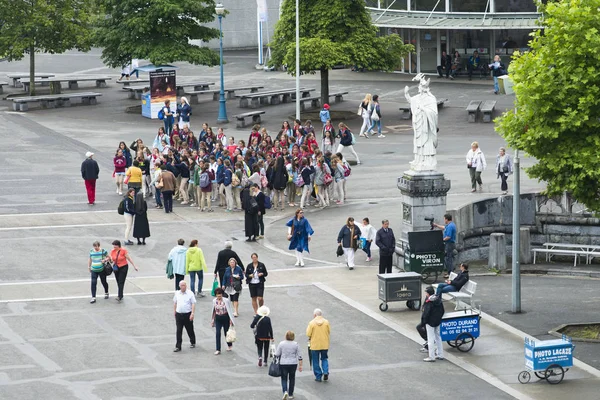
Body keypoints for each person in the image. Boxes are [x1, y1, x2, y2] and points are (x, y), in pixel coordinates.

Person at [405, 74, 438, 171]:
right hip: (418, 124)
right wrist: (406, 94)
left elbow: (433, 113)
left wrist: (423, 109)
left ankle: (428, 161)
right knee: (418, 143)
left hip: (426, 126)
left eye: (421, 86)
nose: (419, 88)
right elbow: (411, 101)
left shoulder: (431, 99)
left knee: (426, 144)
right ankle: (418, 160)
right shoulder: (417, 97)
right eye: (419, 86)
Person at [276, 330, 303, 399]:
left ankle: (285, 391)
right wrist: (300, 365)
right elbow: (300, 356)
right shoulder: (296, 344)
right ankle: (291, 394)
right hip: (293, 363)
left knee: (284, 378)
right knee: (292, 378)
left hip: (283, 363)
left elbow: (277, 354)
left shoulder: (281, 344)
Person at [420, 286, 445, 362]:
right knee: (438, 337)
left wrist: (423, 322)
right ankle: (440, 354)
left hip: (430, 322)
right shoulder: (438, 300)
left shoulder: (429, 302)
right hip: (437, 321)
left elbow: (426, 313)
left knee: (430, 339)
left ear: (428, 293)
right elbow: (442, 311)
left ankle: (431, 356)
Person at [306, 308, 330, 382]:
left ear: (314, 315)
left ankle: (318, 375)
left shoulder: (311, 323)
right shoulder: (326, 322)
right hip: (324, 344)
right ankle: (325, 371)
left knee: (315, 361)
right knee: (324, 358)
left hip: (315, 345)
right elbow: (329, 331)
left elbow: (308, 334)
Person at [173, 280, 196, 352]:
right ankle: (178, 346)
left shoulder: (190, 293)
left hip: (187, 314)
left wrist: (192, 313)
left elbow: (193, 303)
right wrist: (174, 311)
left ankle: (192, 341)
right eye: (182, 285)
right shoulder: (177, 293)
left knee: (190, 329)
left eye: (184, 285)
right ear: (179, 286)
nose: (183, 287)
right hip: (179, 314)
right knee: (179, 330)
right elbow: (175, 302)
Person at [211, 287, 235, 355]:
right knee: (217, 333)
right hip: (218, 318)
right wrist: (212, 320)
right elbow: (213, 311)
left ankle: (229, 344)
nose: (219, 297)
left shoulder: (226, 300)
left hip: (225, 317)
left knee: (226, 332)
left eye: (220, 295)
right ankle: (218, 349)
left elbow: (229, 310)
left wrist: (231, 319)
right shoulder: (214, 301)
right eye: (218, 295)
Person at [433, 214, 457, 278]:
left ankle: (450, 273)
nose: (444, 220)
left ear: (446, 219)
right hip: (449, 244)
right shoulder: (450, 225)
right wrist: (437, 225)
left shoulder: (450, 227)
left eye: (444, 219)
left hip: (449, 244)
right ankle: (450, 271)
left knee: (448, 259)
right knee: (448, 258)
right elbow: (444, 228)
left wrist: (441, 240)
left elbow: (448, 237)